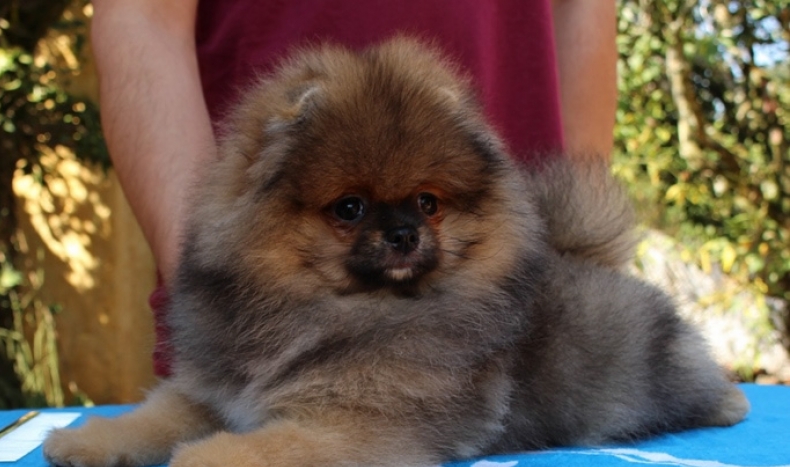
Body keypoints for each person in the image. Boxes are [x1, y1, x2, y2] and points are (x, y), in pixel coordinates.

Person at [90, 0, 618, 376]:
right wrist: (214, 285)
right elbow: (142, 15)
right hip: (268, 313)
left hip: (510, 318)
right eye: (351, 209)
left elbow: (583, 8)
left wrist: (573, 269)